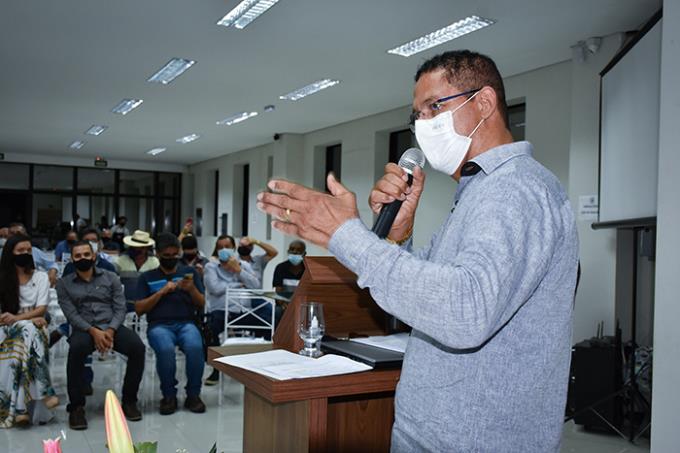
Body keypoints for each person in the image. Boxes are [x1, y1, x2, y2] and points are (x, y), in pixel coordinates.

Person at [256, 50, 579, 452]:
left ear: (484, 102)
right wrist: (396, 237)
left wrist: (346, 234)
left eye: (434, 107)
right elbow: (433, 296)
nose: (423, 124)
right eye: (417, 115)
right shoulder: (480, 191)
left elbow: (465, 313)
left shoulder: (515, 189)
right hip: (433, 432)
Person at [56, 241, 145, 430]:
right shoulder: (64, 284)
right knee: (77, 349)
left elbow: (120, 307)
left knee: (138, 347)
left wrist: (110, 331)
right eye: (78, 256)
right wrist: (93, 331)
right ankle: (76, 407)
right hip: (84, 329)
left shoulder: (111, 277)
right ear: (72, 259)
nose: (83, 259)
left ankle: (129, 401)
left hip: (112, 326)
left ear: (94, 256)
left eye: (86, 254)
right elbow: (71, 315)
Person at [135, 233, 206, 415]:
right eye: (167, 256)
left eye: (175, 255)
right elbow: (139, 308)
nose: (172, 259)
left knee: (195, 346)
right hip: (159, 325)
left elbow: (202, 303)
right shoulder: (147, 277)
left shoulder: (189, 274)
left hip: (186, 323)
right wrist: (161, 293)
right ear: (157, 255)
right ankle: (168, 395)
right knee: (165, 349)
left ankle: (193, 394)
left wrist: (191, 289)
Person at [0, 234, 59, 428]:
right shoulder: (2, 278)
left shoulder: (40, 276)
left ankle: (21, 410)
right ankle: (44, 391)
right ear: (10, 254)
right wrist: (28, 319)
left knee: (29, 332)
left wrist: (18, 318)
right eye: (20, 251)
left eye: (28, 250)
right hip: (5, 329)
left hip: (29, 327)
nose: (25, 254)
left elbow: (41, 309)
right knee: (30, 329)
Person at [203, 235, 261, 385]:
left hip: (243, 311)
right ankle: (215, 368)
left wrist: (238, 271)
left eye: (227, 246)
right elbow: (215, 289)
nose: (223, 250)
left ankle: (261, 371)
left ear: (234, 248)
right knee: (210, 329)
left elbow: (256, 286)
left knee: (268, 322)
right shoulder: (211, 267)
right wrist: (238, 285)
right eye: (220, 247)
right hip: (221, 311)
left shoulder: (244, 265)